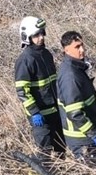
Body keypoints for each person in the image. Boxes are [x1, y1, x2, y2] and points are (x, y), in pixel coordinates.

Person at [57, 31, 96, 162]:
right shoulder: (70, 76)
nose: (82, 50)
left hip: (87, 136)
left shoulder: (76, 69)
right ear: (66, 49)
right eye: (77, 47)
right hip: (82, 139)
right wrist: (95, 134)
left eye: (82, 45)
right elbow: (75, 113)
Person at [14, 16, 65, 154]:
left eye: (42, 33)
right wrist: (34, 112)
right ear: (27, 37)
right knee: (45, 152)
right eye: (36, 35)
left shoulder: (46, 54)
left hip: (55, 111)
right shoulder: (25, 60)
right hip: (40, 117)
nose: (41, 37)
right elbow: (22, 91)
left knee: (61, 148)